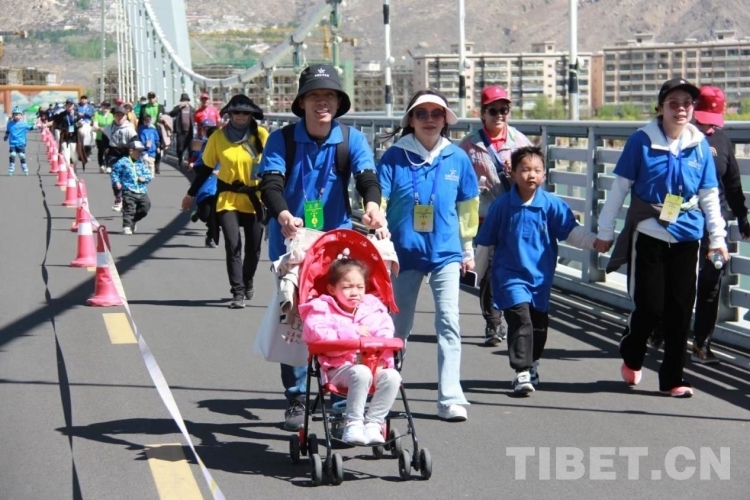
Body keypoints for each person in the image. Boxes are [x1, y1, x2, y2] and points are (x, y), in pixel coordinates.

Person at [258, 64, 386, 431]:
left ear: (338, 102)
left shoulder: (350, 139)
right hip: (293, 240)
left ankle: (342, 397)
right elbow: (270, 183)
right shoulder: (281, 140)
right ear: (302, 102)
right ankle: (297, 396)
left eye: (329, 95)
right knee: (296, 319)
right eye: (314, 96)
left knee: (343, 314)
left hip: (336, 243)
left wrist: (372, 205)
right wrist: (283, 214)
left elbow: (366, 176)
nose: (322, 103)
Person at [595, 78, 728, 398]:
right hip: (650, 232)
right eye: (673, 103)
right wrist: (605, 231)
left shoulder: (699, 145)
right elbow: (619, 189)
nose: (681, 109)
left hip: (688, 235)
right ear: (660, 108)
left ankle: (672, 378)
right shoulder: (641, 141)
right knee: (650, 307)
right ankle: (632, 351)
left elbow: (709, 195)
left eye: (687, 103)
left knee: (681, 310)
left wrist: (718, 238)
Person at [377, 89, 478, 421]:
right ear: (410, 120)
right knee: (397, 326)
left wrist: (467, 250)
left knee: (449, 321)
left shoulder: (457, 158)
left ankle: (449, 397)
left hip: (446, 253)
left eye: (437, 114)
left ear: (445, 120)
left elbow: (467, 208)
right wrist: (378, 231)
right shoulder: (394, 157)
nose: (430, 120)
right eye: (422, 114)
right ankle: (384, 392)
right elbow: (379, 201)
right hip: (403, 254)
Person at [475, 146, 598, 394]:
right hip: (509, 276)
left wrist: (595, 242)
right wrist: (477, 273)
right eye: (525, 169)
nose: (531, 175)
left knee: (538, 327)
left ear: (544, 175)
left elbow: (571, 232)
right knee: (520, 319)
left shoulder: (551, 204)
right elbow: (485, 243)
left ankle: (532, 363)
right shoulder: (502, 206)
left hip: (540, 278)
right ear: (512, 173)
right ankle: (521, 371)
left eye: (536, 170)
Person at [459, 85, 533, 346]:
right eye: (493, 110)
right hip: (485, 218)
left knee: (515, 270)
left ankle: (517, 320)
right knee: (490, 272)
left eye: (504, 109)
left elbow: (535, 181)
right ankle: (493, 323)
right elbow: (458, 181)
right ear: (483, 113)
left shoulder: (521, 143)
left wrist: (518, 175)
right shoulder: (469, 145)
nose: (500, 114)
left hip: (515, 218)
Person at [299, 258, 401, 445]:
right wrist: (353, 333)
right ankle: (353, 423)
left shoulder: (374, 309)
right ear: (332, 289)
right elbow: (317, 334)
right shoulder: (321, 310)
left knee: (393, 376)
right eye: (347, 287)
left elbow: (386, 336)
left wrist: (383, 361)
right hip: (338, 369)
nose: (355, 292)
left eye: (360, 287)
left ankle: (374, 423)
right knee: (361, 372)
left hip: (373, 365)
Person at [180, 94, 268, 308]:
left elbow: (274, 166)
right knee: (233, 244)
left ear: (252, 114)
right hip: (228, 198)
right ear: (229, 113)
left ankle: (248, 280)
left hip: (255, 198)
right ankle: (237, 292)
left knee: (254, 248)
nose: (240, 116)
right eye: (236, 112)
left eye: (245, 112)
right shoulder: (218, 137)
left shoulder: (262, 135)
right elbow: (206, 169)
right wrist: (191, 194)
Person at [690, 86, 750, 363]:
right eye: (704, 121)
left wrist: (742, 217)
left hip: (715, 225)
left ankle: (702, 342)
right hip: (683, 222)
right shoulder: (679, 137)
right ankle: (661, 328)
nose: (708, 128)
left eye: (713, 122)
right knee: (679, 281)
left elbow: (733, 183)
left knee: (712, 281)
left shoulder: (723, 141)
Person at [98, 105, 138, 210]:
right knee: (115, 177)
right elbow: (104, 139)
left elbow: (135, 141)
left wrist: (133, 151)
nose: (119, 117)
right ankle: (118, 198)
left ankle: (127, 198)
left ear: (125, 117)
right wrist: (106, 148)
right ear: (114, 116)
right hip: (113, 153)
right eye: (117, 115)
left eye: (121, 115)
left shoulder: (129, 128)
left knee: (126, 176)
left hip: (126, 153)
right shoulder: (109, 128)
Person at [189, 119, 221, 248]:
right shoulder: (201, 144)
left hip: (223, 188)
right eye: (205, 128)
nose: (207, 131)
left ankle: (211, 237)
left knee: (216, 215)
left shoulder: (229, 148)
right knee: (205, 215)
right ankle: (199, 213)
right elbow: (196, 164)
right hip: (207, 187)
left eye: (210, 128)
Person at [110, 140, 153, 235]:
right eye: (138, 151)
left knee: (145, 207)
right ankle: (127, 226)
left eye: (141, 151)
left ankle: (133, 221)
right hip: (128, 190)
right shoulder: (122, 162)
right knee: (130, 208)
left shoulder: (141, 162)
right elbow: (114, 173)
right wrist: (117, 182)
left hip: (141, 190)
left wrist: (144, 178)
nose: (140, 153)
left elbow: (148, 175)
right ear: (131, 151)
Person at [168, 93, 195, 170]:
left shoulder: (192, 109)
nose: (184, 102)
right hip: (181, 131)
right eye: (183, 100)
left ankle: (189, 164)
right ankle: (180, 160)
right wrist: (179, 108)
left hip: (190, 132)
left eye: (185, 100)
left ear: (188, 101)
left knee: (191, 149)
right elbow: (171, 114)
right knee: (180, 148)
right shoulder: (178, 108)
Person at [4, 107, 32, 176]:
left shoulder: (24, 124)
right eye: (15, 115)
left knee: (21, 156)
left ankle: (24, 168)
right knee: (12, 155)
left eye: (19, 115)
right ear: (13, 115)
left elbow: (31, 127)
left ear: (21, 116)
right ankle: (11, 168)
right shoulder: (10, 124)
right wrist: (6, 136)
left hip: (21, 143)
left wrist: (40, 126)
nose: (17, 116)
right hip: (12, 143)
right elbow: (8, 131)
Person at [93, 102, 114, 173]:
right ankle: (101, 165)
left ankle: (108, 166)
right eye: (104, 106)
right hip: (100, 135)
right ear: (102, 107)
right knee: (101, 151)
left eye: (107, 107)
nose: (106, 108)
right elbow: (95, 125)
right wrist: (99, 128)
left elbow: (113, 124)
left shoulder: (111, 115)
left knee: (108, 151)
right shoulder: (97, 114)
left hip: (108, 136)